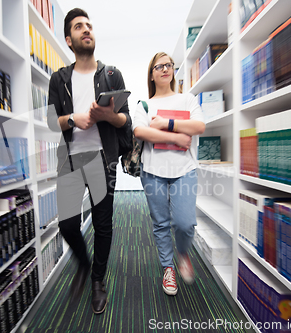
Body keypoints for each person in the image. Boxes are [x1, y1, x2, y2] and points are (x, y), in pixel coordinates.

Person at [46, 8, 131, 314]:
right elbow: (49, 121)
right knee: (68, 225)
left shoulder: (111, 74)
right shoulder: (59, 78)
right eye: (79, 27)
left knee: (102, 225)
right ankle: (82, 263)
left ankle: (97, 280)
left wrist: (108, 115)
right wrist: (74, 118)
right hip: (70, 159)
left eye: (89, 25)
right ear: (69, 40)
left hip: (101, 158)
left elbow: (125, 121)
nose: (86, 30)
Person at [132, 52, 205, 296]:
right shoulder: (144, 105)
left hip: (184, 169)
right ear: (151, 74)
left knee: (185, 223)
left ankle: (183, 253)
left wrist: (166, 123)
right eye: (159, 66)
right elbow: (141, 132)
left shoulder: (188, 99)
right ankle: (168, 268)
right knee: (161, 223)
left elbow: (199, 126)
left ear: (173, 70)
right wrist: (176, 136)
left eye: (169, 65)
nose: (165, 69)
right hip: (153, 171)